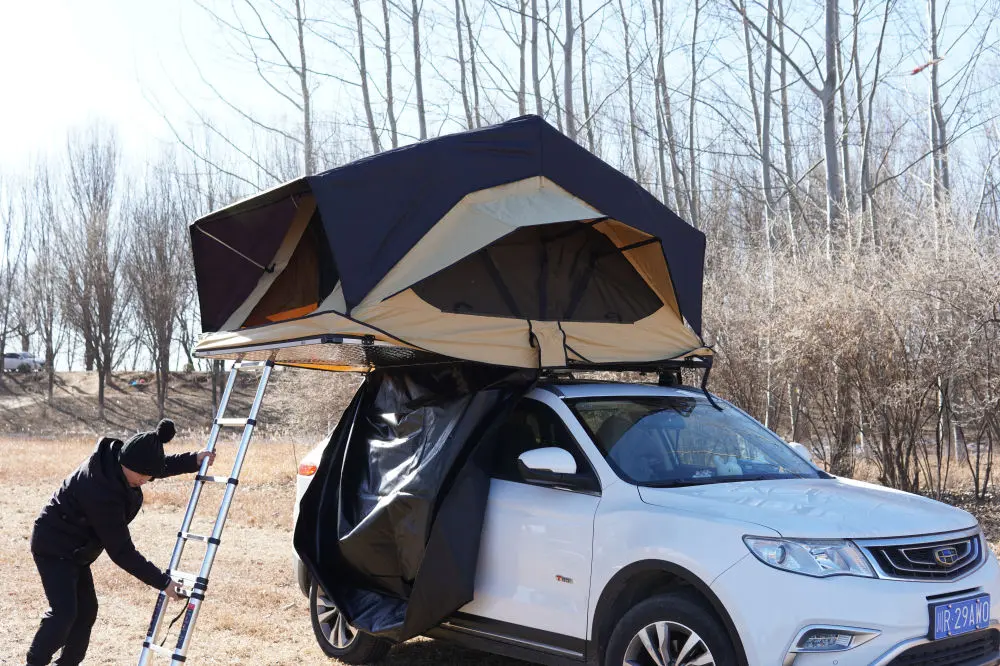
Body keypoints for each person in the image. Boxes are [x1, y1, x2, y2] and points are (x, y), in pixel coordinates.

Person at [25, 419, 216, 666]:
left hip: (77, 550)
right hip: (54, 546)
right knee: (64, 614)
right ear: (130, 465)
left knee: (86, 612)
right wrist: (163, 582)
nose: (147, 480)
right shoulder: (100, 491)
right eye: (144, 475)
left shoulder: (122, 461)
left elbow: (155, 466)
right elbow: (121, 551)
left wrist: (193, 460)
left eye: (150, 475)